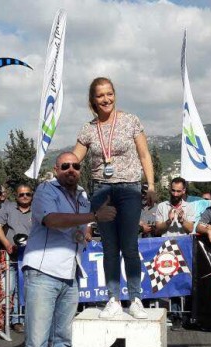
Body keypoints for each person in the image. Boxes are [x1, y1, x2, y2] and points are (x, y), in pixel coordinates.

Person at [21, 152, 116, 347]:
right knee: (37, 344)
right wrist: (93, 216)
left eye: (76, 166)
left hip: (70, 273)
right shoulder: (45, 190)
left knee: (62, 340)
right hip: (42, 272)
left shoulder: (83, 195)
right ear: (56, 169)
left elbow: (81, 227)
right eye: (65, 166)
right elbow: (51, 220)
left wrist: (85, 232)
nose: (71, 169)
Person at [72, 77, 156, 320]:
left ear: (115, 95)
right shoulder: (88, 129)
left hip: (130, 189)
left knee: (129, 245)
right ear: (93, 100)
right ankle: (113, 299)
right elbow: (75, 159)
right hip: (101, 191)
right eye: (100, 95)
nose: (106, 99)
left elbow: (144, 154)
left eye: (109, 94)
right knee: (109, 247)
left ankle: (136, 299)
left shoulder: (131, 120)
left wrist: (151, 185)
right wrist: (59, 172)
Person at [153, 177, 196, 329]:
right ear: (169, 190)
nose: (175, 194)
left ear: (184, 191)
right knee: (171, 283)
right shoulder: (162, 206)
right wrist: (168, 221)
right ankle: (174, 315)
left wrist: (182, 220)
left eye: (179, 191)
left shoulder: (189, 207)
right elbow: (157, 230)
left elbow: (190, 229)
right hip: (167, 248)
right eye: (173, 190)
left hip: (184, 248)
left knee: (185, 282)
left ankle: (187, 315)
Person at [0, 184, 33, 334]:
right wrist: (7, 244)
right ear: (16, 196)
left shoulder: (37, 209)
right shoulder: (8, 207)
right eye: (21, 194)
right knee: (8, 290)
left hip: (30, 257)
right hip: (10, 256)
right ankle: (3, 320)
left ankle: (19, 320)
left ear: (32, 195)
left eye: (28, 194)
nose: (24, 197)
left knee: (24, 289)